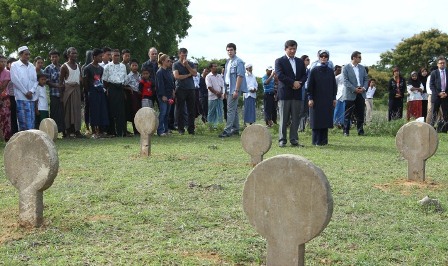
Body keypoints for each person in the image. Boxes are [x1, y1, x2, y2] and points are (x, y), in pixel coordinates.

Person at [274, 40, 307, 147]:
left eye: (294, 49)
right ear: (285, 49)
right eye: (290, 49)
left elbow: (304, 75)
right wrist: (293, 82)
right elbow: (280, 75)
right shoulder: (279, 61)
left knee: (296, 118)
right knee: (284, 118)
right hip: (285, 94)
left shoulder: (300, 61)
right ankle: (282, 140)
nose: (292, 51)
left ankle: (294, 139)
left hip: (297, 93)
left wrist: (299, 84)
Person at [307, 50, 337, 146]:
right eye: (322, 56)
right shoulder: (314, 70)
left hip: (327, 98)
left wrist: (334, 98)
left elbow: (334, 85)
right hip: (316, 98)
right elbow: (310, 85)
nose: (323, 58)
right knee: (316, 120)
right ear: (319, 58)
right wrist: (310, 98)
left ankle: (324, 141)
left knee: (325, 119)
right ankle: (316, 141)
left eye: (325, 56)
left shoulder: (330, 71)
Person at [219, 43, 248, 138]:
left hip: (234, 88)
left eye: (231, 50)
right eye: (228, 50)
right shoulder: (228, 62)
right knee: (233, 109)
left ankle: (227, 130)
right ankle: (235, 129)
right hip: (227, 87)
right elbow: (225, 76)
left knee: (230, 109)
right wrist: (224, 90)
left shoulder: (239, 61)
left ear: (235, 50)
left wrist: (236, 90)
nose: (229, 52)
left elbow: (240, 76)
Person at [10, 46, 38, 131]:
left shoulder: (32, 66)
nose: (28, 56)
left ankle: (31, 139)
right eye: (26, 54)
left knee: (32, 120)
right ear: (20, 55)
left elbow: (35, 81)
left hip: (31, 97)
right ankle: (24, 141)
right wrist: (26, 92)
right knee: (23, 121)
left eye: (29, 54)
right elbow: (15, 80)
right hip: (21, 97)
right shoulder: (15, 65)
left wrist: (31, 91)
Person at [83, 48, 109, 139]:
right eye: (100, 56)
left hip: (100, 91)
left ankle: (101, 131)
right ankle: (93, 131)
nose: (101, 58)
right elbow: (85, 82)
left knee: (101, 111)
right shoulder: (88, 68)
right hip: (92, 92)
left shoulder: (101, 69)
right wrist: (89, 91)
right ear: (94, 57)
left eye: (102, 56)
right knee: (93, 112)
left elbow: (100, 79)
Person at [342, 51, 368, 136]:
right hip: (350, 93)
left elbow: (366, 79)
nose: (361, 59)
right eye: (359, 57)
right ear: (354, 58)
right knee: (348, 113)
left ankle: (360, 131)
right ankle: (346, 131)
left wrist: (363, 88)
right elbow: (345, 81)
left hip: (361, 92)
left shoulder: (362, 68)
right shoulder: (346, 68)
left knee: (360, 113)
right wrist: (354, 89)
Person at [103, 49, 128, 137]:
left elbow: (125, 79)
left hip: (120, 88)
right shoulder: (107, 66)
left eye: (118, 55)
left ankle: (121, 131)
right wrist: (108, 90)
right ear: (111, 56)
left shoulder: (123, 66)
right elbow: (105, 81)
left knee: (121, 111)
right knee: (111, 111)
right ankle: (112, 132)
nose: (116, 57)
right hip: (112, 89)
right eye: (115, 55)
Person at [173, 48, 197, 135]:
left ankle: (191, 129)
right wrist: (188, 75)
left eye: (186, 55)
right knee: (180, 109)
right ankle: (180, 129)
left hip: (191, 89)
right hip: (180, 89)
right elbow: (177, 76)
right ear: (179, 54)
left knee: (191, 110)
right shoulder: (175, 64)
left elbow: (195, 73)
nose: (184, 57)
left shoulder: (190, 63)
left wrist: (187, 66)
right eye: (183, 55)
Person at [59, 47, 83, 138]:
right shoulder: (64, 66)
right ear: (68, 55)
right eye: (73, 53)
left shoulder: (78, 66)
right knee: (68, 111)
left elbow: (80, 80)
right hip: (68, 90)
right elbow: (61, 82)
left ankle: (77, 130)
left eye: (76, 53)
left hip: (76, 90)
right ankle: (68, 131)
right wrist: (61, 96)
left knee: (76, 111)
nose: (75, 55)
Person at [45, 49, 65, 136]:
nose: (54, 58)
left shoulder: (63, 67)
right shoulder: (48, 68)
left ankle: (65, 132)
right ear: (50, 58)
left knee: (63, 113)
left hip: (63, 94)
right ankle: (54, 133)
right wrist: (57, 86)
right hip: (54, 94)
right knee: (54, 113)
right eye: (52, 57)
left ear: (59, 57)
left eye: (56, 56)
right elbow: (47, 81)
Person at [156, 54, 175, 136]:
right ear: (163, 61)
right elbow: (160, 85)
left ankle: (166, 130)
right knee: (163, 112)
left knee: (167, 113)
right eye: (168, 61)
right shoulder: (160, 72)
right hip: (163, 96)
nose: (169, 62)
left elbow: (171, 82)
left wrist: (173, 90)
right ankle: (160, 131)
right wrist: (162, 95)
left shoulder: (168, 71)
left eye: (170, 61)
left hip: (169, 94)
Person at [429, 55, 448, 132]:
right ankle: (431, 129)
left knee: (446, 113)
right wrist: (439, 93)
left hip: (446, 96)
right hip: (436, 96)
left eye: (443, 63)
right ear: (437, 64)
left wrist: (446, 93)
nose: (442, 64)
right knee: (434, 113)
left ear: (445, 63)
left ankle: (445, 129)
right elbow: (431, 85)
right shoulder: (434, 73)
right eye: (440, 63)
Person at [123, 59, 142, 134]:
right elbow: (123, 85)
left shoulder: (140, 75)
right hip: (132, 96)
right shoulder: (128, 76)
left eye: (136, 65)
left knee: (140, 112)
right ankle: (136, 130)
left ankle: (140, 129)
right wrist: (129, 88)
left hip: (139, 95)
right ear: (130, 67)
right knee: (134, 112)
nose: (134, 67)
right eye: (133, 65)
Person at [206, 62, 225, 128]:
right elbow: (209, 86)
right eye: (214, 66)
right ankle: (210, 126)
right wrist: (216, 93)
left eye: (216, 66)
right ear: (211, 68)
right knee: (211, 112)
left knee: (219, 111)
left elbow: (222, 86)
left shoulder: (219, 76)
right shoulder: (208, 76)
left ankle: (219, 126)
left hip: (220, 97)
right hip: (212, 97)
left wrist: (221, 93)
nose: (216, 67)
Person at [81, 50, 93, 134]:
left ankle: (93, 126)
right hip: (86, 91)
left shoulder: (95, 66)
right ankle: (87, 127)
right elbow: (83, 80)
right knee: (87, 108)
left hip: (94, 90)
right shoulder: (84, 67)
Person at [0, 55, 12, 141]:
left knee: (6, 118)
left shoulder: (7, 72)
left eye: (5, 62)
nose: (3, 63)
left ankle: (7, 138)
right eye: (1, 62)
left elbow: (3, 87)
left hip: (4, 98)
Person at [298, 55, 310, 131]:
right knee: (300, 110)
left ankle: (303, 127)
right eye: (307, 60)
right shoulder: (298, 70)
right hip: (300, 92)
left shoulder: (309, 70)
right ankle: (299, 127)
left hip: (307, 92)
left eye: (309, 60)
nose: (308, 61)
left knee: (306, 110)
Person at [6, 57, 18, 135]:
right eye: (11, 63)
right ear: (8, 64)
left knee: (15, 115)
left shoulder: (18, 73)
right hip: (9, 96)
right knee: (10, 115)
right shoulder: (7, 73)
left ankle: (16, 131)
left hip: (17, 96)